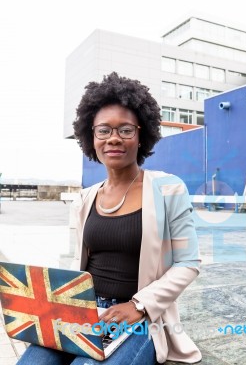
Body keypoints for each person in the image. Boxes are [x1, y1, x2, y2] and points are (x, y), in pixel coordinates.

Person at [18, 72, 201, 365]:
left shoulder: (168, 189)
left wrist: (138, 306)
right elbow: (76, 263)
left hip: (137, 318)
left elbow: (188, 263)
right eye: (104, 130)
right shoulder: (85, 198)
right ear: (92, 137)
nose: (114, 138)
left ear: (141, 136)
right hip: (81, 311)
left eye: (126, 130)